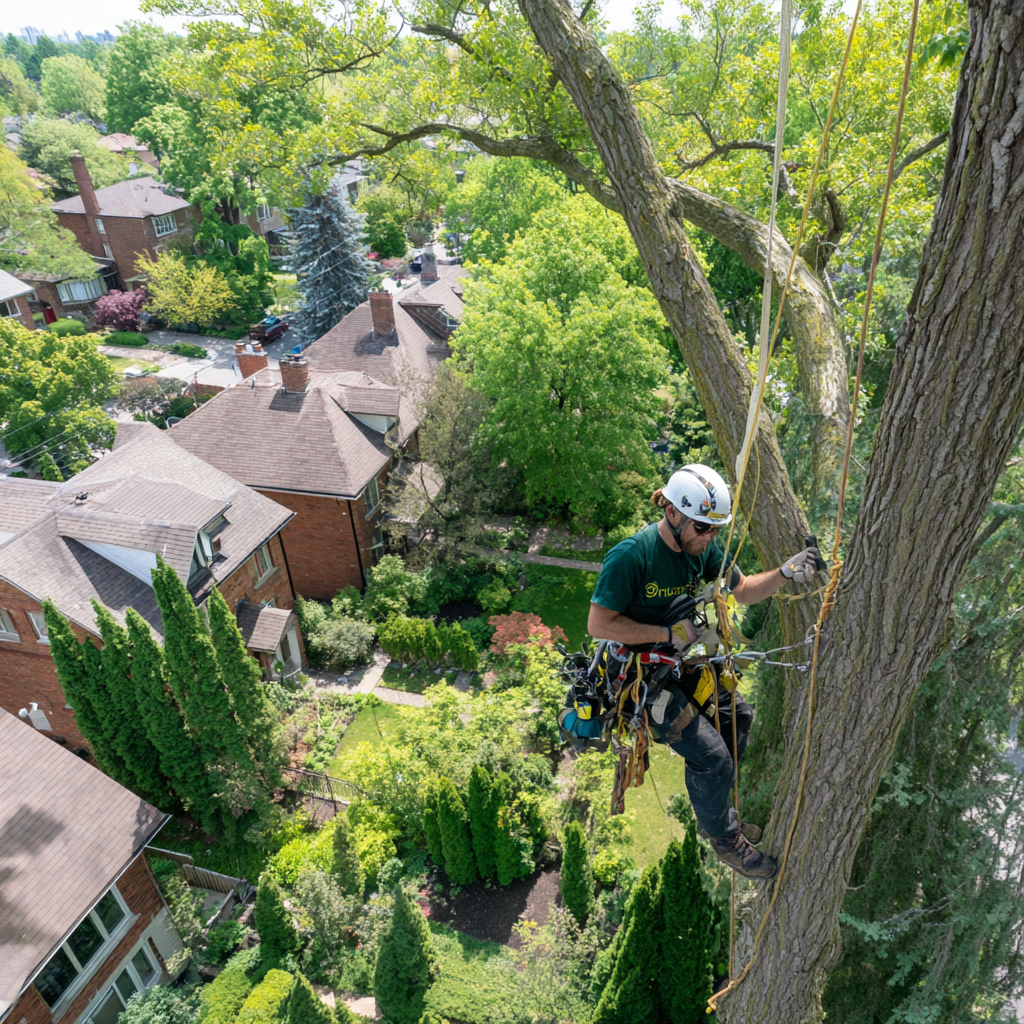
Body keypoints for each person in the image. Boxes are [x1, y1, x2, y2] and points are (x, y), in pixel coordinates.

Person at [588, 464, 821, 879]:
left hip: (675, 662)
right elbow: (599, 624)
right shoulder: (633, 555)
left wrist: (786, 571)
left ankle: (713, 812)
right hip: (638, 676)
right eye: (702, 527)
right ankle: (721, 836)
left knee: (739, 719)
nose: (710, 537)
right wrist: (664, 632)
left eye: (716, 529)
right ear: (674, 514)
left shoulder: (703, 551)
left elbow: (745, 590)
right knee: (713, 759)